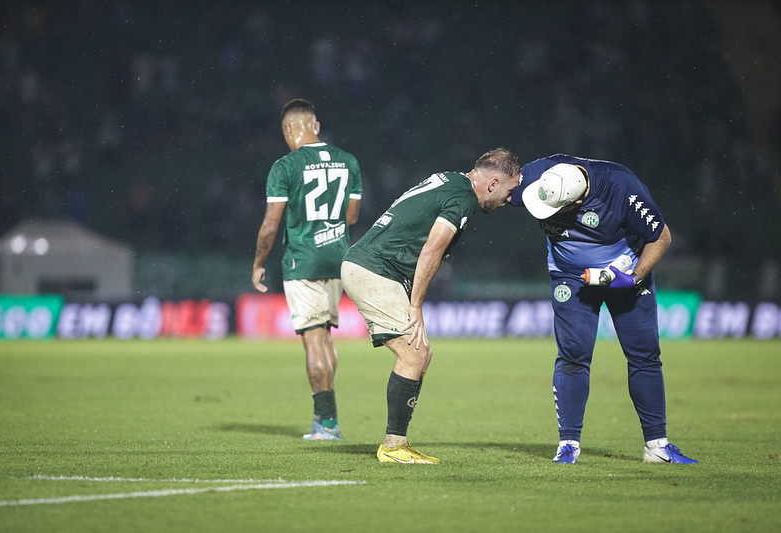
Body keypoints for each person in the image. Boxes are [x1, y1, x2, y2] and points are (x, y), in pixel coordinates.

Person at [509, 153, 697, 464]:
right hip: (569, 276)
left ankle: (657, 446)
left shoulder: (623, 189)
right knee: (573, 355)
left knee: (644, 355)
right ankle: (568, 444)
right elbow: (494, 187)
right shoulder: (541, 175)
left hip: (625, 273)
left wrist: (634, 277)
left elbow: (661, 237)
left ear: (577, 202)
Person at [342, 148, 521, 464]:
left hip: (374, 267)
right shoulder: (464, 197)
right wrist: (416, 307)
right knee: (415, 353)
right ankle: (393, 447)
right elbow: (431, 250)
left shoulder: (451, 180)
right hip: (376, 270)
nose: (509, 200)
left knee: (420, 354)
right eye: (509, 191)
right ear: (493, 184)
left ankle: (398, 443)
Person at [252, 98, 362, 441]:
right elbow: (353, 217)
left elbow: (271, 225)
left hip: (304, 260)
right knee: (325, 338)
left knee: (313, 340)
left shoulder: (285, 166)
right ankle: (328, 420)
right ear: (315, 126)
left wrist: (258, 263)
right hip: (338, 258)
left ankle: (326, 423)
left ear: (288, 129)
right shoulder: (348, 161)